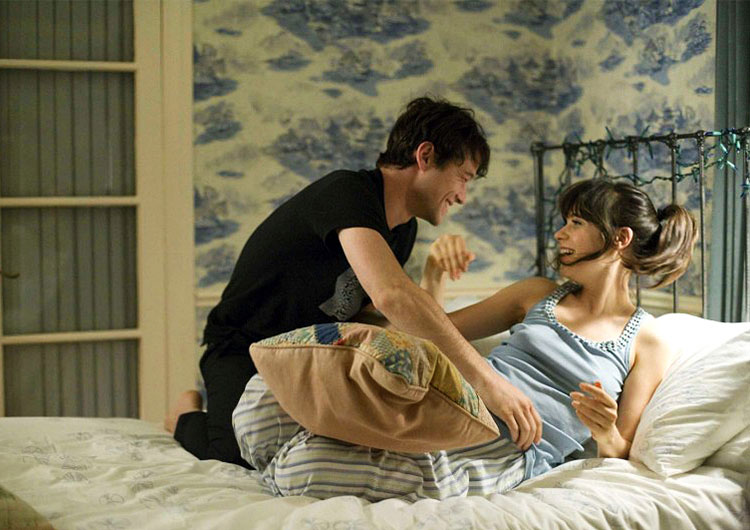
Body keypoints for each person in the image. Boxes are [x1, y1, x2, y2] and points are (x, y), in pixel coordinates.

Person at [232, 177, 698, 501]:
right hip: (448, 406)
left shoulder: (648, 341)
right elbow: (429, 337)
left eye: (576, 223)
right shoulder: (537, 293)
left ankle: (294, 466)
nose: (560, 233)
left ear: (619, 239)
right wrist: (434, 273)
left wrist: (603, 430)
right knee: (260, 407)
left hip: (502, 451)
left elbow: (621, 452)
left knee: (305, 467)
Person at [165, 96, 543, 468]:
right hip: (242, 348)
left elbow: (379, 318)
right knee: (236, 456)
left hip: (306, 357)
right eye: (463, 178)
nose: (462, 197)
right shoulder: (347, 192)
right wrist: (489, 383)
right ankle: (182, 413)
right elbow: (393, 296)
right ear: (425, 156)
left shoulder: (403, 231)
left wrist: (433, 278)